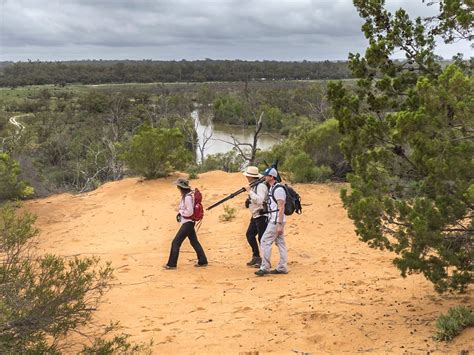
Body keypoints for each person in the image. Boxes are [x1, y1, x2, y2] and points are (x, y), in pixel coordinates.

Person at [164, 178, 208, 269]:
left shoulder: (187, 197)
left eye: (178, 187)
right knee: (194, 242)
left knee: (176, 242)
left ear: (181, 187)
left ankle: (171, 264)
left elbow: (190, 212)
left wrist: (181, 212)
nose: (177, 188)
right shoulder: (187, 196)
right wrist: (181, 213)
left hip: (187, 223)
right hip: (189, 223)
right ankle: (203, 261)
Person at [255, 167, 288, 276]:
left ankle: (265, 267)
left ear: (272, 177)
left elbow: (281, 207)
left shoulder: (278, 190)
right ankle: (282, 267)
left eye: (266, 175)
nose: (264, 177)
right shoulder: (272, 188)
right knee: (280, 243)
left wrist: (279, 224)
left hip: (276, 220)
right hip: (276, 219)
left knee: (265, 241)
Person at [243, 166, 269, 267]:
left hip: (262, 215)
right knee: (249, 235)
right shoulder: (254, 186)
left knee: (262, 239)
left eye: (248, 176)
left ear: (251, 176)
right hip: (255, 215)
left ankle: (264, 261)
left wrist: (249, 192)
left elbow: (260, 200)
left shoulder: (261, 186)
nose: (246, 177)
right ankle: (256, 257)